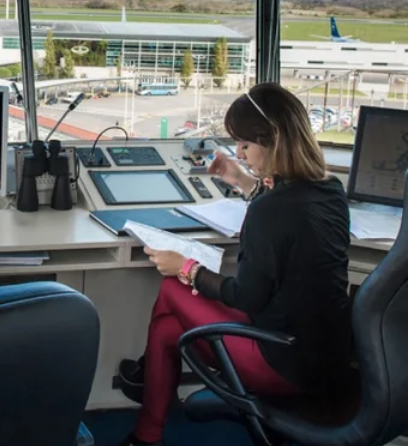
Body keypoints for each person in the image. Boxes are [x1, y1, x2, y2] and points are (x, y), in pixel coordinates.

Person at [118, 83, 353, 446]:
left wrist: (186, 267)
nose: (240, 153)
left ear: (272, 140)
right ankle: (146, 434)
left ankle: (144, 378)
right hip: (327, 357)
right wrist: (242, 181)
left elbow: (246, 298)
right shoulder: (331, 190)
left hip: (282, 361)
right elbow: (286, 212)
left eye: (245, 145)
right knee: (167, 331)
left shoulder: (268, 211)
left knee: (170, 288)